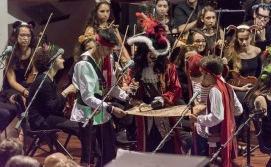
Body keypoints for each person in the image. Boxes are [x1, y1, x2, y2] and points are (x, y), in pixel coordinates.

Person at [70, 28, 127, 167]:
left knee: (109, 152)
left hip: (102, 111)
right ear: (98, 45)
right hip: (88, 113)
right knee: (90, 155)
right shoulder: (83, 64)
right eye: (108, 50)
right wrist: (111, 108)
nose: (110, 53)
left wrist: (128, 98)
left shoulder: (108, 57)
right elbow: (88, 97)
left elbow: (111, 87)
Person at [127, 19, 183, 153]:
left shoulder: (168, 68)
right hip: (143, 112)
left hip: (163, 110)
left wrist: (163, 99)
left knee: (167, 144)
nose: (153, 56)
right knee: (148, 144)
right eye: (150, 52)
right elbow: (131, 92)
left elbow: (176, 89)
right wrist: (132, 90)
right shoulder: (135, 69)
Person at [188, 55, 243, 167]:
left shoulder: (214, 90)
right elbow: (238, 110)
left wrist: (197, 119)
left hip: (217, 138)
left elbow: (217, 117)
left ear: (209, 74)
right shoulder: (228, 87)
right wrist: (228, 115)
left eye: (203, 74)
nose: (202, 78)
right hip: (227, 134)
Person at [27, 44, 79, 137]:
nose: (63, 60)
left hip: (45, 116)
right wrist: (65, 93)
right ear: (52, 61)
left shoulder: (50, 78)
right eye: (60, 58)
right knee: (79, 127)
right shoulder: (44, 81)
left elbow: (52, 105)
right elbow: (51, 108)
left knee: (80, 125)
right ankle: (91, 151)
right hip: (40, 120)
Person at [2, 21, 36, 105]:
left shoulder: (34, 52)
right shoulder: (10, 53)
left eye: (28, 35)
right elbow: (12, 81)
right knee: (19, 99)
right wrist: (24, 90)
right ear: (16, 36)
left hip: (27, 85)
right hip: (12, 87)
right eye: (22, 35)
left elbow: (34, 75)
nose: (25, 38)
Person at [224, 24, 262, 96]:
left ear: (250, 37)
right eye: (241, 39)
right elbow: (225, 80)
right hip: (238, 89)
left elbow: (259, 74)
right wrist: (241, 89)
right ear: (237, 39)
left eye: (246, 39)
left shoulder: (257, 51)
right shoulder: (231, 53)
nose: (244, 42)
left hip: (253, 87)